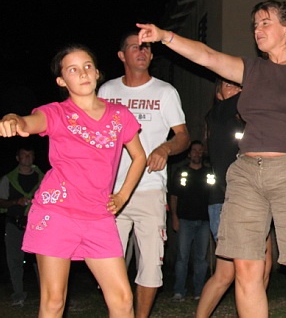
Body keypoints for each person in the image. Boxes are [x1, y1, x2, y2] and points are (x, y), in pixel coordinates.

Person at [138, 0, 286, 318]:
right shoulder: (252, 70)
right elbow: (206, 56)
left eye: (265, 22)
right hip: (247, 175)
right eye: (255, 25)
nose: (257, 29)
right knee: (246, 272)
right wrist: (165, 36)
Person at [0, 43, 147, 317]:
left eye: (88, 66)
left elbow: (140, 157)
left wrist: (123, 195)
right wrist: (14, 119)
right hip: (56, 214)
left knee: (123, 299)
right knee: (54, 301)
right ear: (61, 80)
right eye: (73, 69)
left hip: (99, 216)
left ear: (97, 73)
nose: (83, 73)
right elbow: (29, 122)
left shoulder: (120, 115)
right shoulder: (56, 113)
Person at [98, 31, 191, 317]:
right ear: (121, 55)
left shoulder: (165, 92)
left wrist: (165, 148)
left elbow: (183, 136)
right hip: (111, 191)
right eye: (135, 47)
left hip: (149, 188)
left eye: (147, 47)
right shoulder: (107, 91)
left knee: (150, 265)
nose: (143, 51)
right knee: (107, 262)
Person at [197, 78, 274, 317]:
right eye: (229, 85)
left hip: (255, 201)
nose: (236, 90)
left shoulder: (249, 120)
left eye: (238, 86)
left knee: (264, 266)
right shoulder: (218, 115)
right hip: (225, 200)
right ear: (218, 93)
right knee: (226, 273)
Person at [0, 146, 45, 307]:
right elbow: (1, 201)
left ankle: (46, 294)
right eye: (24, 155)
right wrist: (15, 202)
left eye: (30, 154)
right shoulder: (8, 179)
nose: (27, 157)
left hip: (38, 225)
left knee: (42, 260)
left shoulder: (43, 178)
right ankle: (18, 295)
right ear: (17, 158)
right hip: (14, 223)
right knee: (14, 260)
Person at [170, 140, 211, 302]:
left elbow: (214, 194)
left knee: (201, 258)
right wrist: (174, 217)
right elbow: (174, 196)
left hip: (204, 221)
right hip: (185, 220)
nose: (197, 153)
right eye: (194, 150)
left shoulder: (209, 173)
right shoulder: (181, 172)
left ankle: (199, 291)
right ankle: (179, 291)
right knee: (182, 257)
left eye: (200, 151)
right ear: (189, 153)